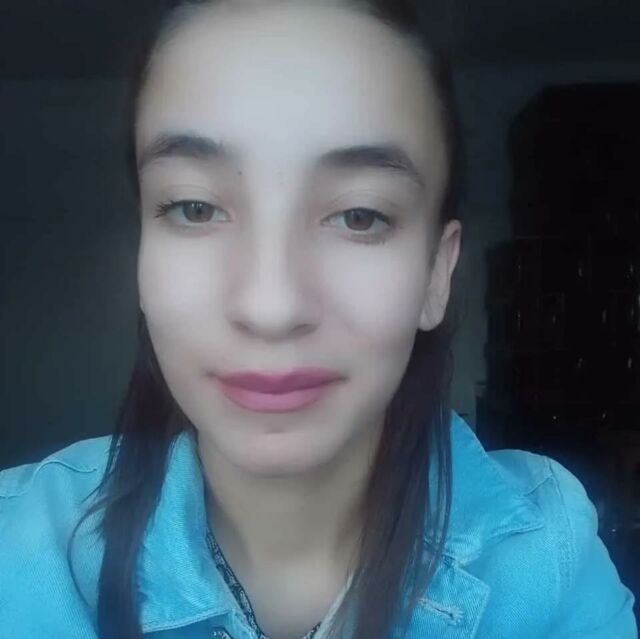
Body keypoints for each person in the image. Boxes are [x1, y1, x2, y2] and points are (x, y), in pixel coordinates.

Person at [0, 1, 636, 638]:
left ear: (436, 275)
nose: (271, 307)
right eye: (194, 207)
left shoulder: (546, 557)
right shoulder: (19, 549)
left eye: (359, 216)